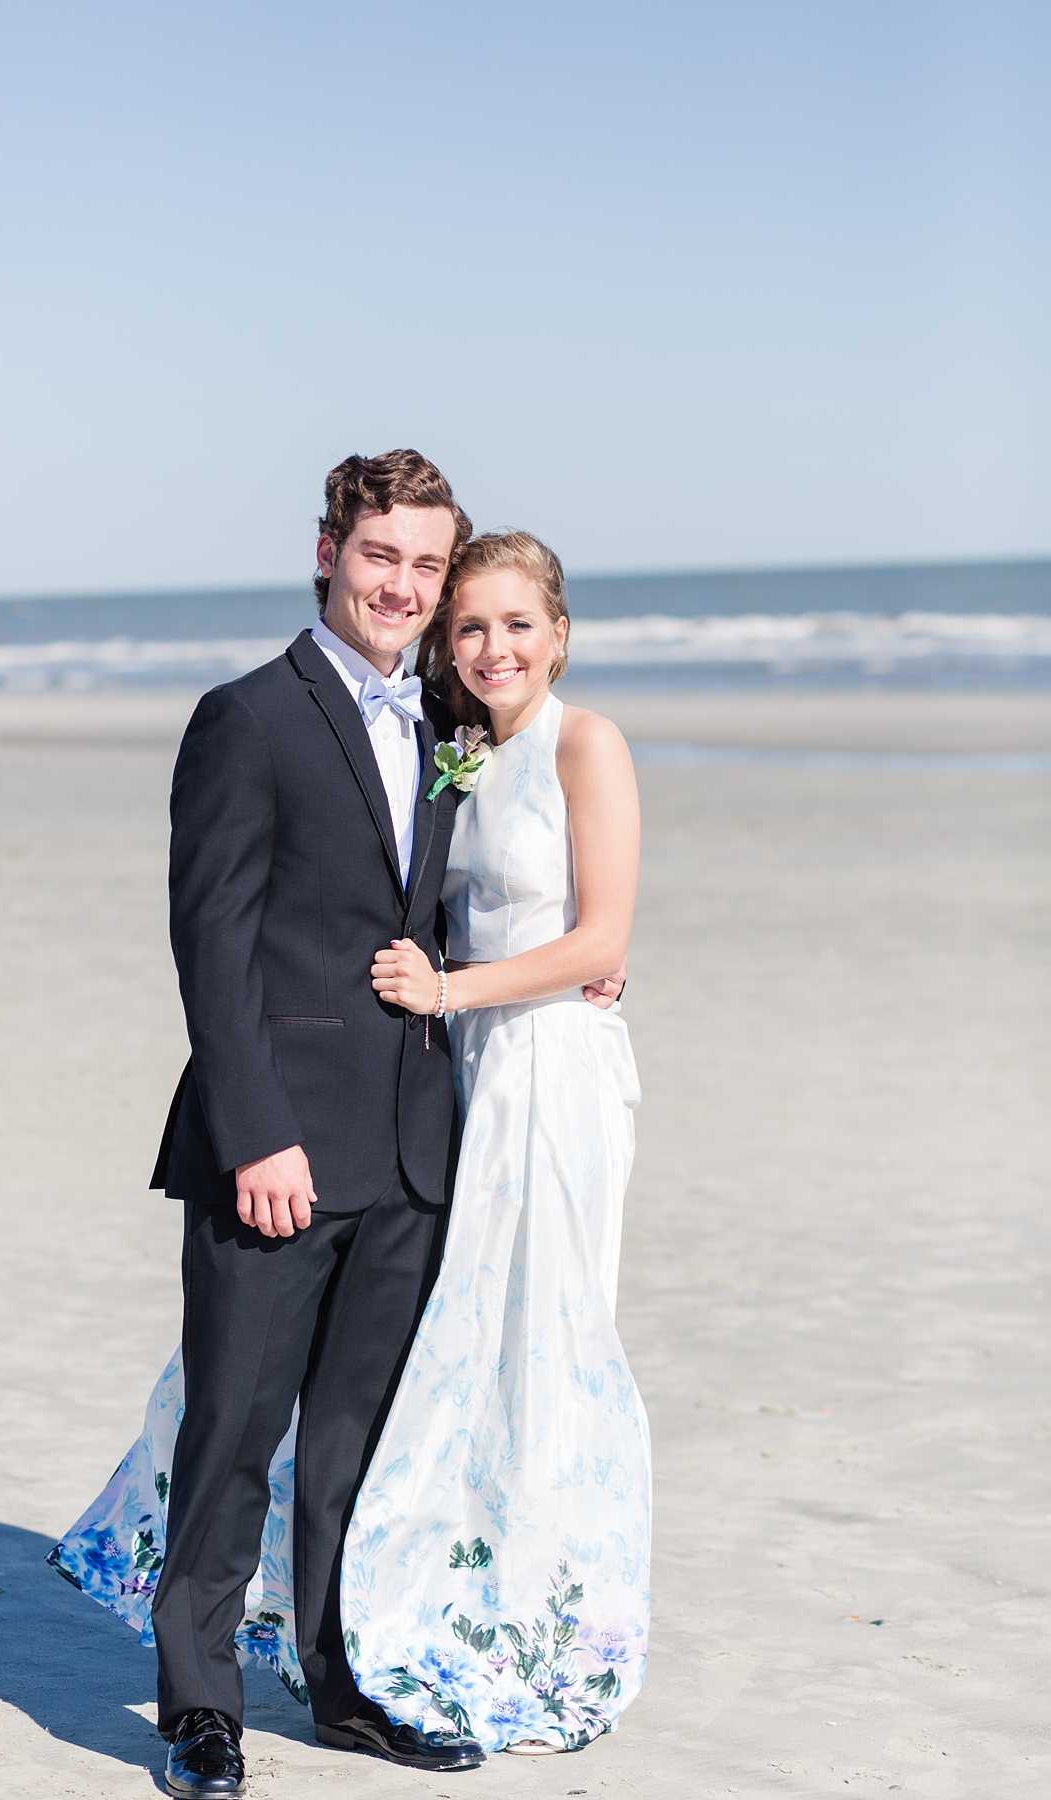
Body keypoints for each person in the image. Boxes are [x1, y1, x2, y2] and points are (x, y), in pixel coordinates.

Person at [47, 455, 624, 1794]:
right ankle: (199, 1708)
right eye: (385, 558)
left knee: (359, 1447)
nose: (407, 587)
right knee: (234, 1432)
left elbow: (461, 912)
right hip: (279, 1151)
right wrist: (254, 1135)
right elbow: (213, 943)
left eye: (430, 566)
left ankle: (345, 1686)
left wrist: (583, 958)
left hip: (421, 1145)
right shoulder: (247, 717)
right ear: (328, 553)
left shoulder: (444, 718)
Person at [345, 531, 652, 1753]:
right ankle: (460, 1584)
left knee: (547, 1327)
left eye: (518, 625)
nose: (493, 648)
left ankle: (549, 1618)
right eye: (470, 627)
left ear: (559, 634)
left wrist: (450, 995)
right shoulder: (462, 750)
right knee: (462, 1329)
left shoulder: (589, 743)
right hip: (467, 1070)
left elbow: (602, 942)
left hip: (556, 1072)